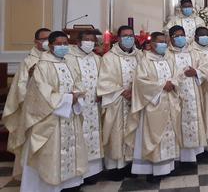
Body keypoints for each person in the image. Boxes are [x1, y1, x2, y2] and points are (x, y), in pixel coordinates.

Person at [20, 31, 87, 192]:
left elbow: (78, 83)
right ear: (49, 46)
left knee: (71, 150)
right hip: (50, 119)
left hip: (69, 115)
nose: (63, 47)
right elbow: (40, 93)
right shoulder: (42, 66)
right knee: (51, 154)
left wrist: (77, 95)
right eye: (59, 44)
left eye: (65, 43)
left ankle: (70, 184)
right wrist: (67, 99)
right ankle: (48, 187)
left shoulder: (69, 63)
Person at [2, 27, 50, 179]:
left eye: (50, 39)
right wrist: (31, 77)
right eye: (43, 39)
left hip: (53, 111)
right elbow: (20, 89)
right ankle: (31, 179)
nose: (47, 42)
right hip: (34, 112)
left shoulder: (56, 58)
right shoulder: (28, 61)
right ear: (36, 41)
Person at [131, 32, 181, 178]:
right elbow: (140, 82)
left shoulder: (169, 58)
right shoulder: (145, 61)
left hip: (170, 102)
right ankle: (152, 171)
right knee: (154, 136)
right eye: (160, 42)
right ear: (152, 44)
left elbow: (177, 75)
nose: (164, 44)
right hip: (154, 104)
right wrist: (161, 86)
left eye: (165, 42)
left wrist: (173, 83)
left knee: (169, 134)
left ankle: (168, 167)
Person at [97, 26, 140, 176]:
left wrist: (136, 90)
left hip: (135, 101)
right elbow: (104, 80)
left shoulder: (139, 55)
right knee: (116, 133)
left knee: (133, 131)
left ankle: (131, 164)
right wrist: (122, 91)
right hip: (116, 101)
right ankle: (115, 168)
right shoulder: (109, 57)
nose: (128, 38)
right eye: (125, 36)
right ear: (118, 38)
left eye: (131, 35)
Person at [65, 30, 103, 180]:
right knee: (80, 136)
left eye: (92, 40)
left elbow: (103, 78)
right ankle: (79, 173)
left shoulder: (97, 59)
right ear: (79, 42)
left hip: (95, 104)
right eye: (87, 40)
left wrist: (102, 92)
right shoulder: (69, 58)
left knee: (94, 136)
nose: (90, 43)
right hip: (78, 105)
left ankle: (94, 172)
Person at [166, 25, 207, 162]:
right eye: (176, 36)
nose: (180, 38)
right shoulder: (167, 54)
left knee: (193, 121)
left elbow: (205, 67)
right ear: (170, 38)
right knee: (177, 123)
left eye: (182, 35)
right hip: (175, 94)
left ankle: (192, 156)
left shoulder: (193, 52)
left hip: (193, 92)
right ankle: (178, 157)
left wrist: (196, 72)